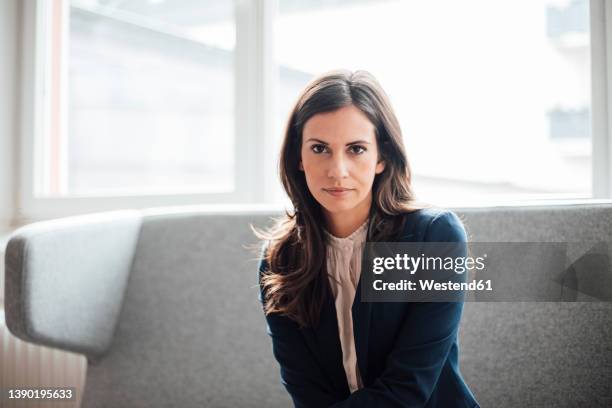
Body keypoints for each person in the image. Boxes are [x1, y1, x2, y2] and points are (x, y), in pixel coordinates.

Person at [255, 69, 479, 407]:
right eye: (319, 148)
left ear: (382, 158)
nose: (337, 170)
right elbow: (306, 393)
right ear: (298, 158)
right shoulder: (281, 258)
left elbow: (408, 388)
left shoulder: (434, 237)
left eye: (356, 149)